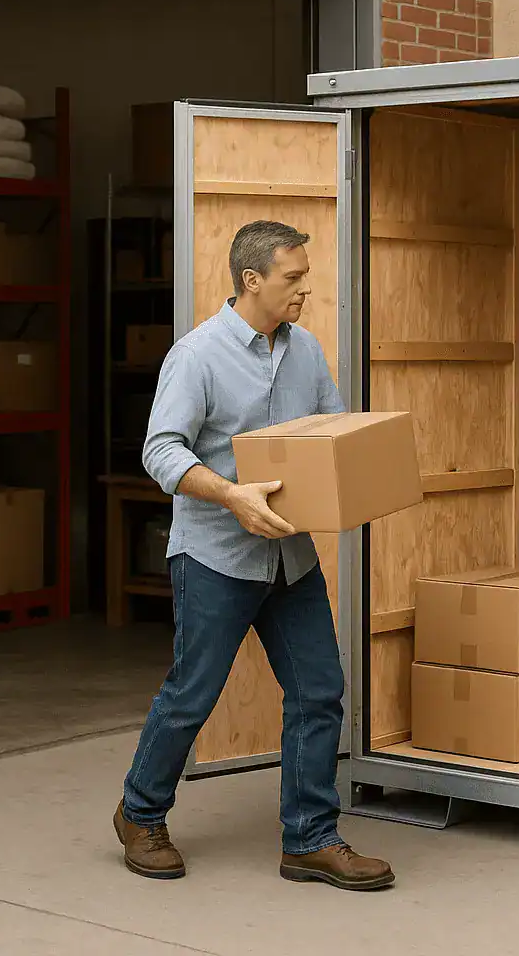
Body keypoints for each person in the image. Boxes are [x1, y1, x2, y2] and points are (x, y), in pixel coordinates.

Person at [114, 219, 394, 891]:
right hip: (216, 556)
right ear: (252, 281)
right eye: (293, 278)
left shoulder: (306, 351)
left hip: (290, 559)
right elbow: (161, 451)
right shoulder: (198, 355)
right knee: (193, 696)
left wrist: (359, 477)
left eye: (304, 276)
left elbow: (328, 433)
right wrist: (233, 497)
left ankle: (310, 840)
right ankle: (140, 813)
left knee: (319, 693)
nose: (305, 289)